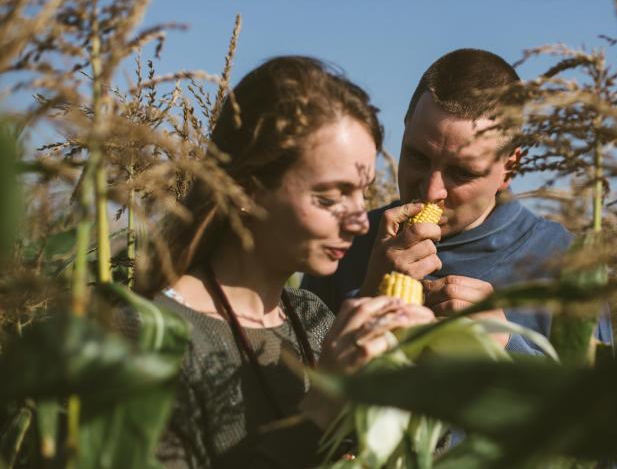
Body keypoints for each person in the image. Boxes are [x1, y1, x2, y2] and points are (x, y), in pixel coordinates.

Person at [130, 56, 434, 468]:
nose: (361, 223)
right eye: (328, 198)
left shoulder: (313, 319)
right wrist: (319, 413)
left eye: (362, 193)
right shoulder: (148, 341)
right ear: (247, 189)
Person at [303, 48, 613, 355]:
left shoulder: (565, 263)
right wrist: (369, 298)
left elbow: (597, 401)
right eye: (418, 157)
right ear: (406, 129)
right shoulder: (343, 243)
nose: (430, 191)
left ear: (510, 168)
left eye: (461, 172)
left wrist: (506, 345)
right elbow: (301, 388)